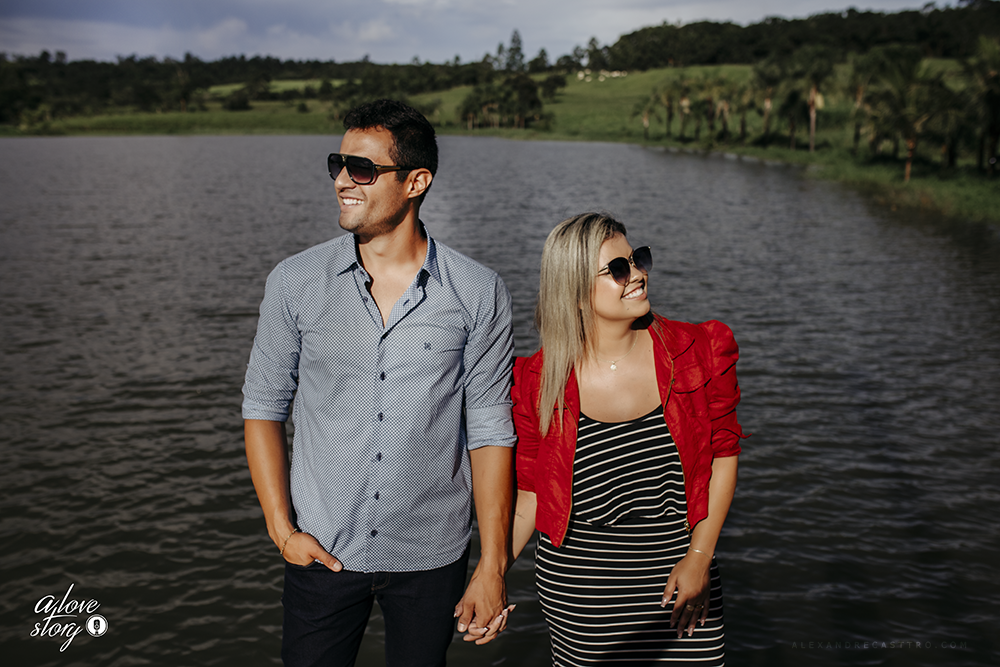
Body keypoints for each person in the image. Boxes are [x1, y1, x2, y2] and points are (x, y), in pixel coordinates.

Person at [242, 99, 515, 667]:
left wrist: (492, 566)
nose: (343, 180)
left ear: (416, 182)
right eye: (337, 164)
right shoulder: (294, 283)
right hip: (320, 553)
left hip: (432, 558)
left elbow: (490, 432)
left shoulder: (479, 292)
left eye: (362, 169)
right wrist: (281, 530)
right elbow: (263, 406)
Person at [510, 212, 746, 666]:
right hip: (581, 596)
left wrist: (699, 556)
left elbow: (723, 457)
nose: (636, 274)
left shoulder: (697, 352)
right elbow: (531, 495)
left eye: (636, 259)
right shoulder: (538, 383)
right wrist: (492, 572)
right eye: (618, 269)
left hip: (682, 578)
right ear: (576, 292)